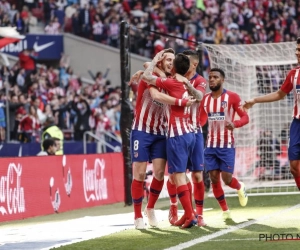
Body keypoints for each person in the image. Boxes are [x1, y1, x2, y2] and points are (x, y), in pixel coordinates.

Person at [130, 48, 195, 230]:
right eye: (167, 59)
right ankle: (137, 215)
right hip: (142, 130)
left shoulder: (172, 81)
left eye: (172, 60)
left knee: (159, 173)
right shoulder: (148, 77)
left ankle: (150, 208)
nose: (170, 62)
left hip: (161, 132)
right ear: (159, 61)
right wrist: (151, 64)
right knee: (140, 173)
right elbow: (152, 85)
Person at [243, 37, 300, 191]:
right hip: (297, 124)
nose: (297, 53)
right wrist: (255, 100)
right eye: (296, 49)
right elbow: (279, 94)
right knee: (294, 166)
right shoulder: (293, 74)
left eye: (299, 50)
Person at [199, 68, 249, 219]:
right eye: (210, 77)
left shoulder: (232, 97)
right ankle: (225, 211)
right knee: (214, 179)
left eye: (215, 77)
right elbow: (201, 120)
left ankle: (240, 187)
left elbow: (245, 117)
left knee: (226, 179)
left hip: (227, 146)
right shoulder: (205, 99)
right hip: (211, 146)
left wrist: (235, 124)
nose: (212, 80)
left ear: (222, 80)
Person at [167, 49, 207, 227]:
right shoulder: (173, 77)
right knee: (174, 175)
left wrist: (187, 85)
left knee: (197, 176)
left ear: (195, 64)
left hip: (195, 131)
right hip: (176, 130)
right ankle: (179, 209)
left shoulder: (200, 81)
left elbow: (199, 97)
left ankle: (198, 215)